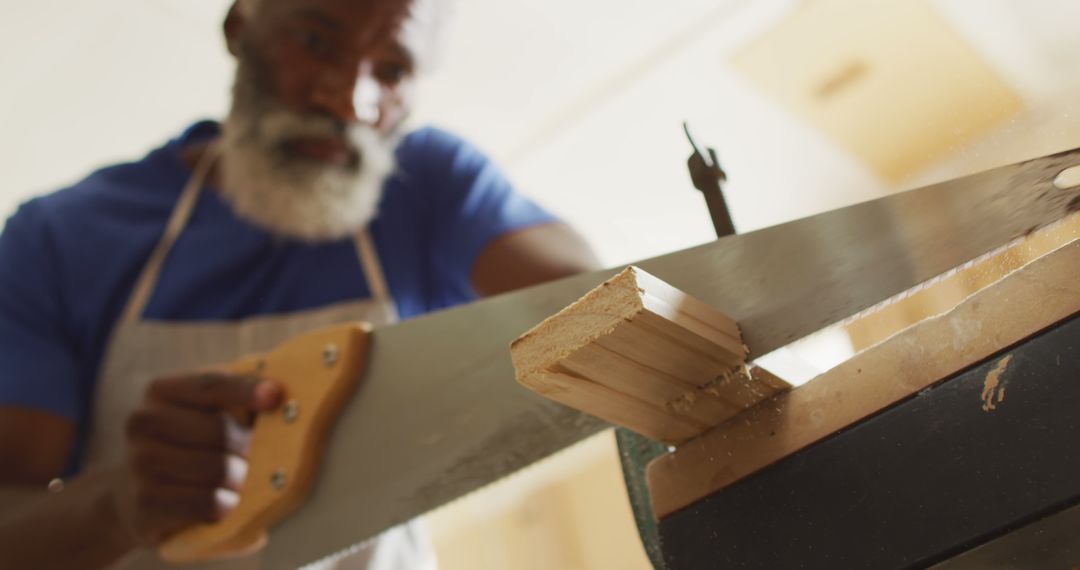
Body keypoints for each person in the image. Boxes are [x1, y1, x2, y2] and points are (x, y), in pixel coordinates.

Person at [0, 0, 599, 568]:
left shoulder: (429, 192)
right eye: (316, 41)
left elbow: (606, 316)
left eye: (391, 70)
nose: (348, 101)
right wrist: (116, 505)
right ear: (240, 26)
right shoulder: (64, 235)